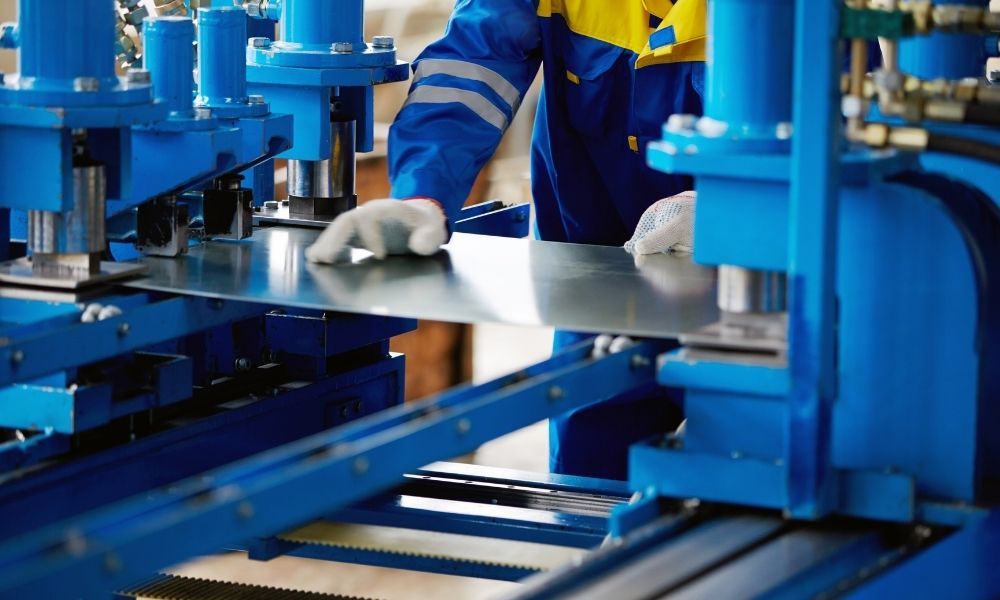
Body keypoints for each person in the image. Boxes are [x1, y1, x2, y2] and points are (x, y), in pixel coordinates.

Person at [306, 0, 706, 480]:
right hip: (600, 289)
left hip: (765, 301)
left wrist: (737, 209)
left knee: (758, 492)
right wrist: (422, 194)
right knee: (590, 488)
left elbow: (819, 119)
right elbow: (472, 65)